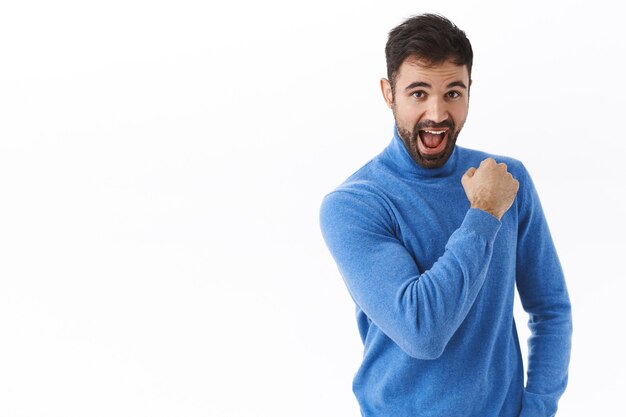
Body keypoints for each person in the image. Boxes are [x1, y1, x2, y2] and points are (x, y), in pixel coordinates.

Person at [319, 13, 572, 417]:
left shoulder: (508, 180)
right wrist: (484, 214)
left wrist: (538, 408)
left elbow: (551, 307)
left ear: (470, 90)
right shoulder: (354, 205)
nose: (437, 113)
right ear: (389, 93)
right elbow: (423, 331)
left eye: (453, 93)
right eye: (418, 93)